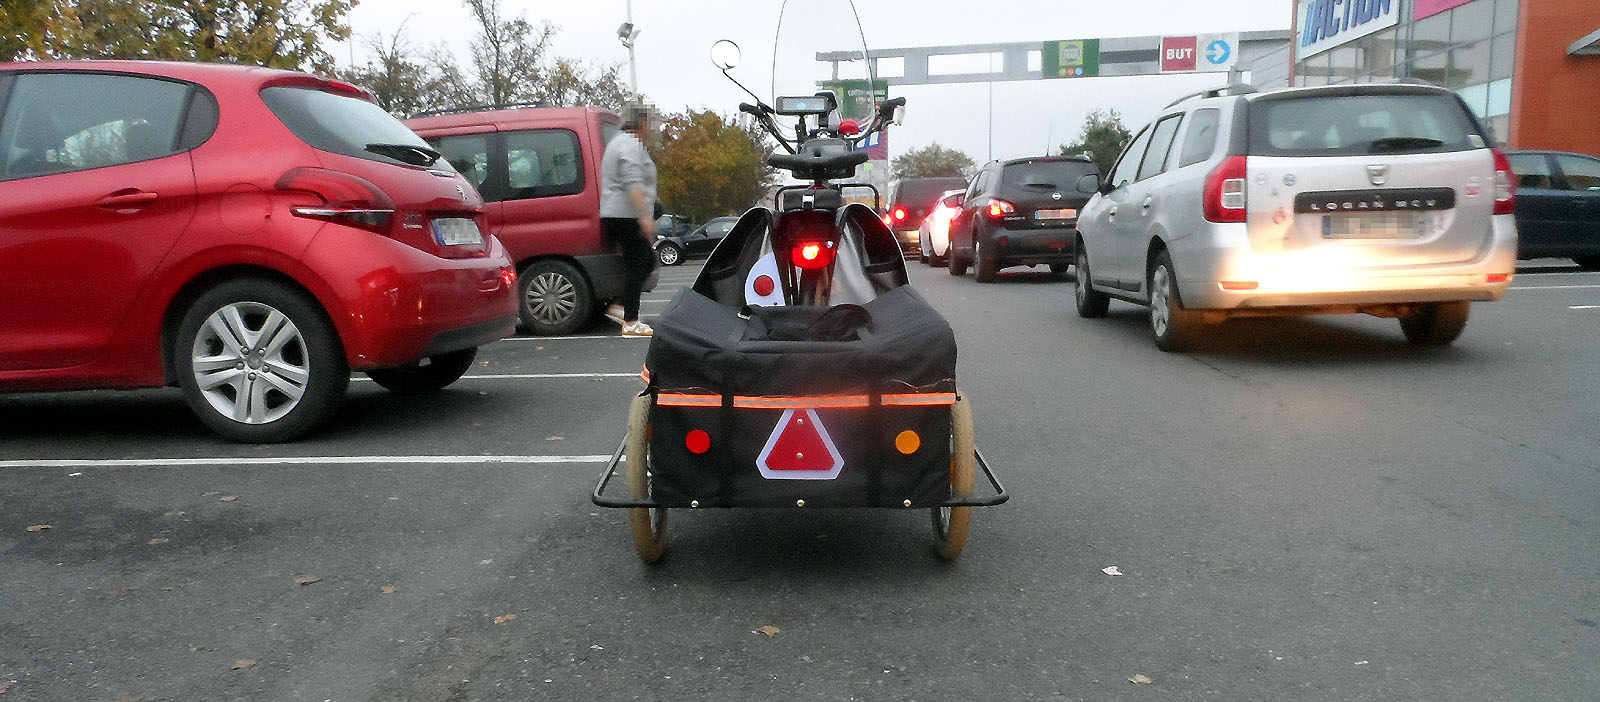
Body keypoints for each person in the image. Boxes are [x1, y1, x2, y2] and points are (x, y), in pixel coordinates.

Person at [599, 102, 659, 337]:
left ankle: (621, 306)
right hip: (625, 214)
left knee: (646, 261)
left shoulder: (620, 142)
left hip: (620, 213)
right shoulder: (629, 144)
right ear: (641, 123)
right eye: (649, 123)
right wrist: (644, 216)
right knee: (638, 264)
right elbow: (633, 180)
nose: (651, 128)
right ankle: (630, 321)